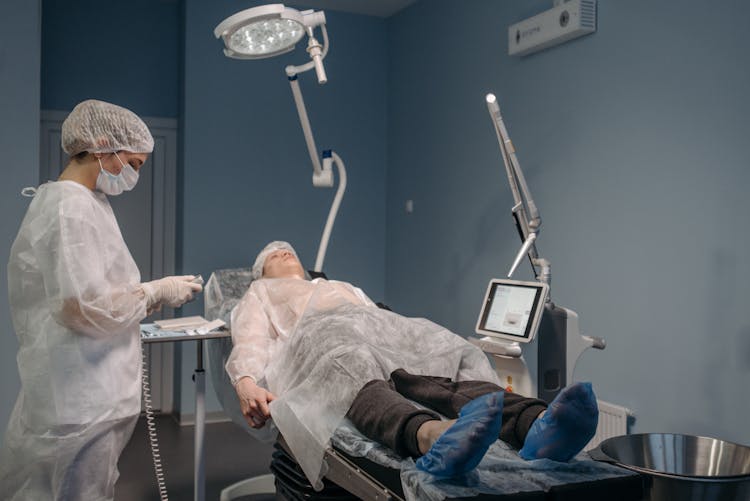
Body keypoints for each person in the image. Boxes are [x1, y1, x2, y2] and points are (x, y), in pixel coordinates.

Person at [227, 241, 599, 487]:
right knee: (353, 367)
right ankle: (428, 436)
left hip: (377, 327)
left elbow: (376, 316)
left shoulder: (341, 285)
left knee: (442, 356)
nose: (283, 252)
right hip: (318, 339)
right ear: (262, 273)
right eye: (274, 255)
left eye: (288, 250)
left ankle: (536, 424)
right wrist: (246, 382)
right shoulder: (259, 292)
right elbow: (250, 339)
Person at [0, 99, 203, 501]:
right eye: (134, 163)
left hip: (92, 390)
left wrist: (148, 296)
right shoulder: (69, 206)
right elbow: (80, 307)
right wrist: (154, 292)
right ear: (101, 143)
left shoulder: (89, 202)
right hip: (80, 399)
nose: (133, 175)